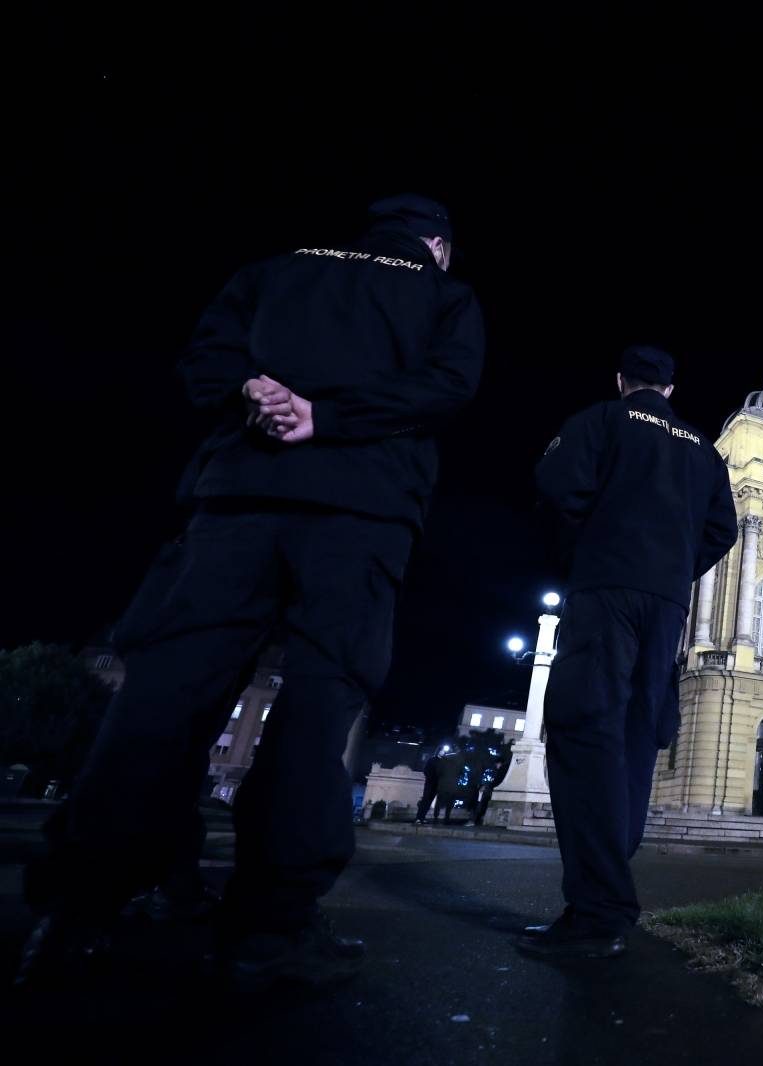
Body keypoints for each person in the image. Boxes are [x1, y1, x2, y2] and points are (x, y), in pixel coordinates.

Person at [18, 195, 483, 989]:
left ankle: (80, 906)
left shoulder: (280, 269)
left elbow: (204, 359)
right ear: (437, 246)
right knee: (318, 706)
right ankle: (270, 926)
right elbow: (446, 388)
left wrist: (254, 395)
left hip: (236, 497)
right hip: (359, 510)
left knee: (165, 694)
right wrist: (327, 418)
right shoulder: (444, 295)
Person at [523, 345, 738, 960]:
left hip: (606, 589)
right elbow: (723, 529)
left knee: (584, 726)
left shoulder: (600, 420)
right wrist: (672, 569)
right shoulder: (703, 449)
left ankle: (598, 910)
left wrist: (586, 551)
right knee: (637, 734)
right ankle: (607, 883)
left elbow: (555, 487)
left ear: (622, 381)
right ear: (670, 389)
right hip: (665, 604)